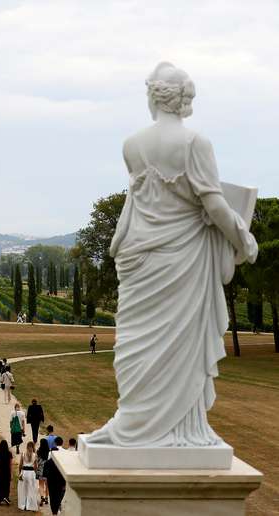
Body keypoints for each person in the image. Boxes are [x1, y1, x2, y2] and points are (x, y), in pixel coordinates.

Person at [84, 63, 258, 450]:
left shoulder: (132, 145)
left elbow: (138, 203)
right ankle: (170, 429)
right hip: (181, 261)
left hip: (140, 259)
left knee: (135, 342)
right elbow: (213, 205)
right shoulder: (195, 144)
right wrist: (243, 239)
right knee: (174, 345)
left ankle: (140, 422)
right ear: (184, 101)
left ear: (153, 96)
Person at [17, 441, 39, 511]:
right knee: (31, 489)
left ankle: (23, 505)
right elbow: (35, 467)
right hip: (31, 473)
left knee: (23, 490)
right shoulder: (35, 455)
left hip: (24, 473)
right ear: (33, 447)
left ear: (27, 446)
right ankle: (30, 505)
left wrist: (20, 473)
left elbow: (20, 465)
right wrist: (36, 474)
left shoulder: (23, 454)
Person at [0, 439, 13, 506]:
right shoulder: (9, 453)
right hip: (7, 472)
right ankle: (6, 497)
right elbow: (10, 464)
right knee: (6, 485)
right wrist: (11, 473)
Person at [36, 438, 50, 506]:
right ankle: (47, 498)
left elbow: (37, 461)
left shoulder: (38, 451)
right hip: (48, 470)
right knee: (47, 485)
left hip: (41, 469)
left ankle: (42, 497)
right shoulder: (49, 452)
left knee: (41, 484)